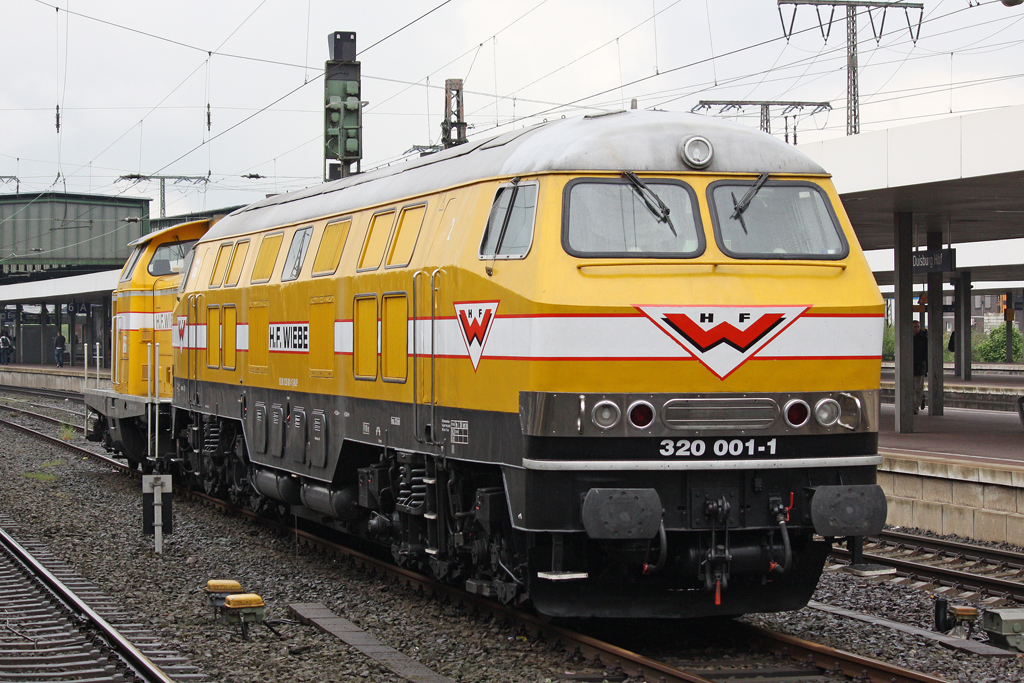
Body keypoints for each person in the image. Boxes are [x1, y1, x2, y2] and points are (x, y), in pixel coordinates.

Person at [912, 320, 928, 414]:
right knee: (911, 388)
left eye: (918, 326)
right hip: (909, 366)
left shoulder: (924, 338)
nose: (917, 328)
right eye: (915, 327)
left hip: (920, 366)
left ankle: (915, 408)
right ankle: (916, 402)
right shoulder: (907, 337)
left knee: (917, 388)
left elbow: (926, 353)